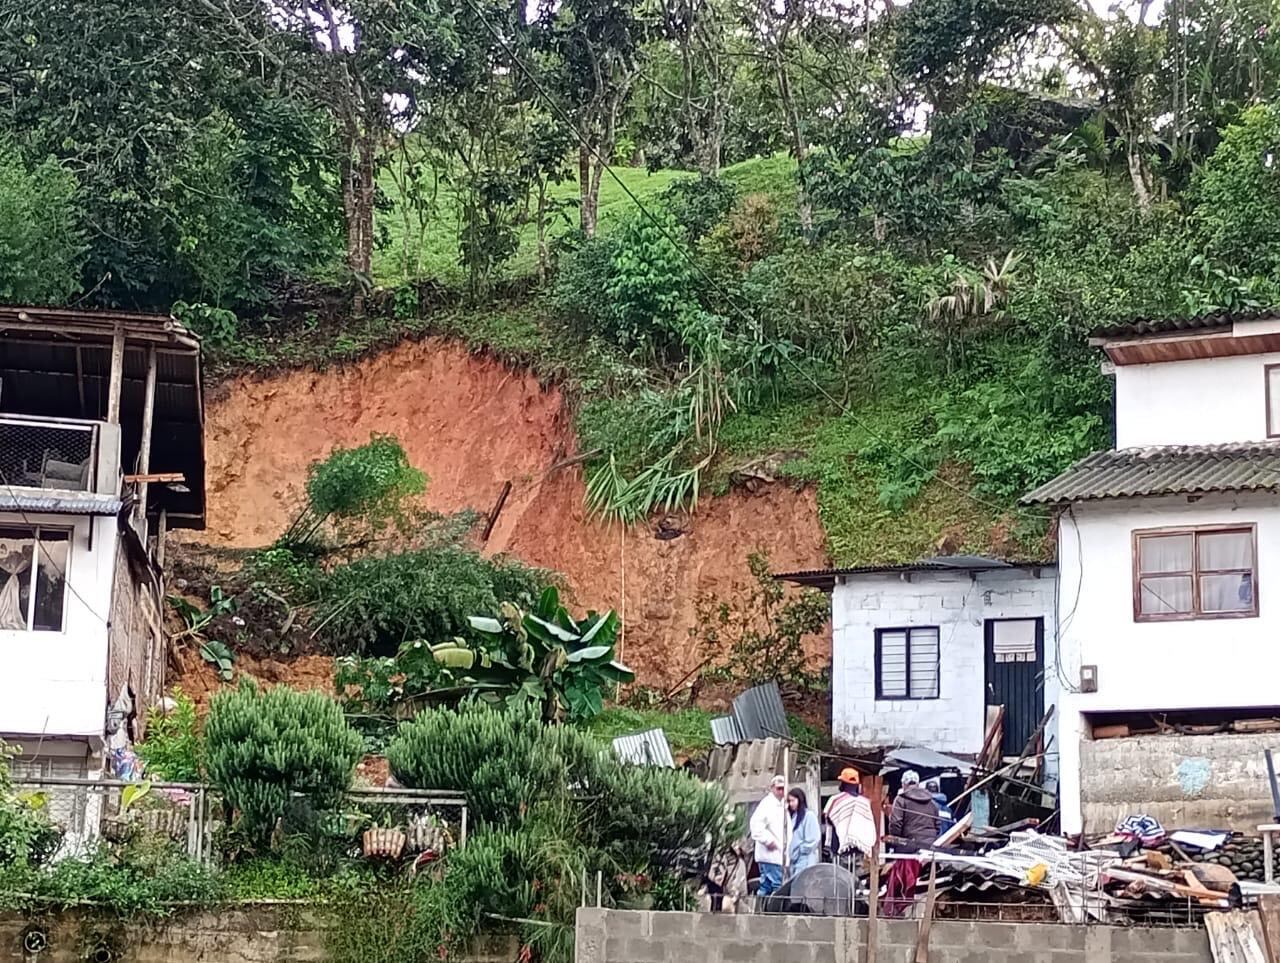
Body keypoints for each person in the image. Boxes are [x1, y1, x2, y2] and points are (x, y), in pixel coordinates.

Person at [823, 767, 876, 858]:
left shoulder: (836, 800)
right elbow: (868, 824)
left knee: (840, 871)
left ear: (843, 783)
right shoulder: (865, 802)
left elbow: (826, 817)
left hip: (839, 846)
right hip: (860, 848)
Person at [749, 774, 787, 897]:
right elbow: (755, 825)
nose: (781, 791)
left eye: (783, 788)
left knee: (766, 885)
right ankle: (774, 913)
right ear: (772, 788)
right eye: (778, 788)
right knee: (777, 885)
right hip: (771, 855)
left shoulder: (781, 805)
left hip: (776, 855)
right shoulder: (767, 805)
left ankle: (760, 911)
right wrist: (768, 841)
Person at [888, 770, 942, 849]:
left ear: (903, 784)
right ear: (918, 784)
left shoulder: (901, 800)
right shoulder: (931, 802)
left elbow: (895, 823)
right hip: (930, 845)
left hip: (909, 844)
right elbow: (938, 825)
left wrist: (897, 841)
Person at [787, 788, 820, 874]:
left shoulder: (809, 816)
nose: (791, 804)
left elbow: (813, 839)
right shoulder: (793, 816)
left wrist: (800, 850)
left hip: (806, 859)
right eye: (789, 801)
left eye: (793, 801)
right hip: (794, 860)